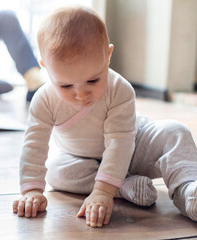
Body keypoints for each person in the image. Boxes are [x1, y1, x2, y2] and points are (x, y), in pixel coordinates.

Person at [12, 6, 197, 228]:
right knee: (56, 171)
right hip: (83, 159)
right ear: (46, 68)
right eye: (66, 85)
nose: (81, 95)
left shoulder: (120, 89)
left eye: (92, 81)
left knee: (174, 131)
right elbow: (34, 144)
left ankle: (187, 190)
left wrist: (101, 192)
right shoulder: (44, 100)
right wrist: (32, 190)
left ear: (107, 56)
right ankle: (124, 186)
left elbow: (120, 141)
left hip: (134, 144)